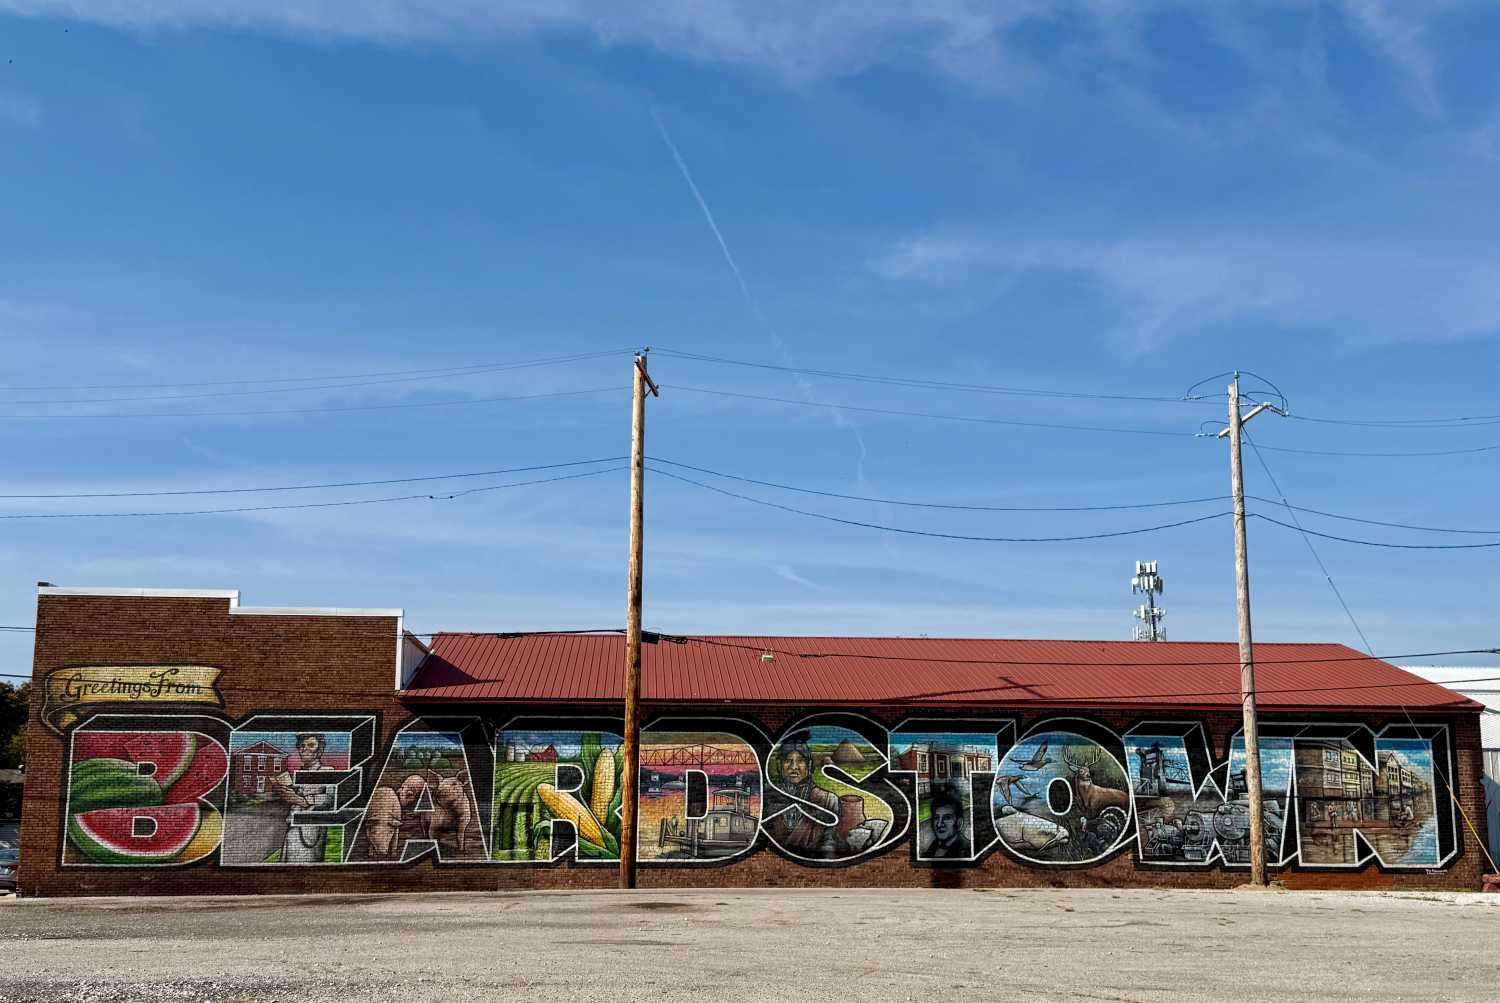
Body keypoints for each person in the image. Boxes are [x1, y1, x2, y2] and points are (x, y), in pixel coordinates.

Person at [764, 733, 841, 857]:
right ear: (779, 765)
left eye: (800, 761)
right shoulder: (767, 797)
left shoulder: (827, 800)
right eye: (788, 761)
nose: (794, 767)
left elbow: (829, 843)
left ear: (809, 765)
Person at [272, 733, 337, 864]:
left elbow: (331, 798)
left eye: (311, 745)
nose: (305, 749)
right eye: (302, 746)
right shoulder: (300, 774)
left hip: (311, 832)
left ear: (320, 750)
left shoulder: (327, 771)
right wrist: (287, 792)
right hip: (292, 827)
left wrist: (303, 800)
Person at [924, 787, 970, 859]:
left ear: (959, 823)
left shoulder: (966, 850)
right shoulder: (934, 844)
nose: (939, 824)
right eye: (936, 818)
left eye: (947, 818)